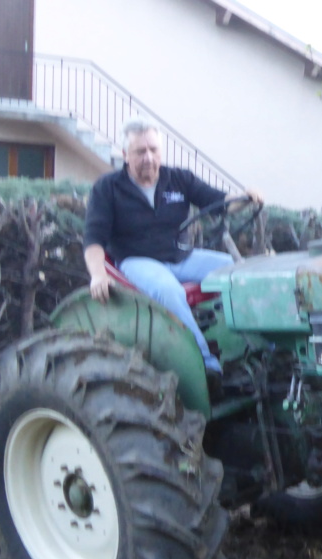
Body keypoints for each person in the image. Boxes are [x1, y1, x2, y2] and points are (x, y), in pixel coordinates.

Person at [83, 116, 262, 390]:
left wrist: (245, 198)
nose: (148, 157)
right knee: (168, 292)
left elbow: (220, 203)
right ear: (125, 155)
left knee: (234, 270)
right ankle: (207, 365)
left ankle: (263, 344)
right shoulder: (107, 188)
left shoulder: (178, 179)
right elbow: (93, 239)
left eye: (153, 150)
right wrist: (97, 275)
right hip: (137, 261)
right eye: (140, 151)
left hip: (179, 257)